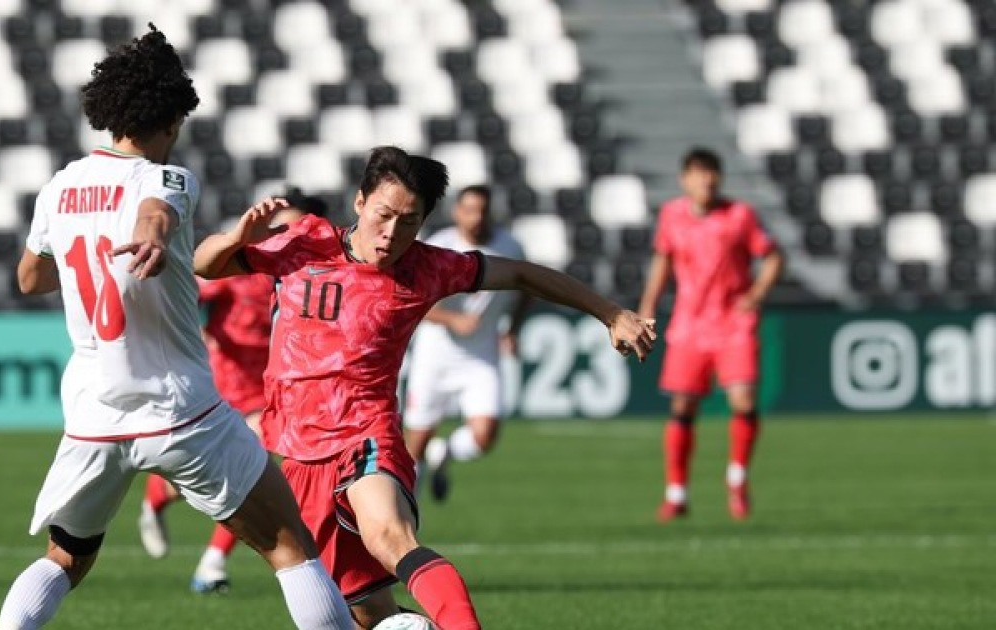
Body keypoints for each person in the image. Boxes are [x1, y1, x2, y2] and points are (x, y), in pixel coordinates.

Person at [192, 146, 657, 630]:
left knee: (390, 537)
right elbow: (206, 265)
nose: (392, 233)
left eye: (409, 221)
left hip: (364, 437)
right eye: (384, 214)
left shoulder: (428, 268)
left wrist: (611, 312)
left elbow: (520, 273)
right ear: (359, 203)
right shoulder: (303, 241)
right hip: (299, 452)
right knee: (369, 615)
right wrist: (234, 238)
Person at [0, 28, 354, 630]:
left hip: (94, 418)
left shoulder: (59, 187)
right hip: (178, 408)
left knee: (64, 559)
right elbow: (155, 211)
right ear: (171, 120)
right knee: (290, 547)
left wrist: (102, 246)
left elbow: (31, 278)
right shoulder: (168, 178)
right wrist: (153, 237)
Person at [137, 189, 330, 596]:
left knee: (254, 468)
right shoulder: (243, 267)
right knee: (207, 475)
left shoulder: (311, 274)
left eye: (295, 227)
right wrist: (200, 333)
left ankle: (212, 564)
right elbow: (185, 294)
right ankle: (157, 497)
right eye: (281, 226)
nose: (285, 234)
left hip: (270, 388)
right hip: (222, 386)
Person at [637, 147, 785, 523]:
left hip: (733, 323)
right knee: (683, 407)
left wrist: (756, 295)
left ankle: (737, 478)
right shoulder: (672, 215)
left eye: (712, 173)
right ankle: (677, 492)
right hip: (690, 324)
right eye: (699, 173)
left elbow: (773, 256)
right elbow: (662, 263)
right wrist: (647, 307)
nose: (707, 180)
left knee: (743, 398)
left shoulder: (739, 216)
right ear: (685, 179)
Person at [403, 185, 530, 502]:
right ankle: (407, 522)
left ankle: (445, 452)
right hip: (435, 355)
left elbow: (528, 288)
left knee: (485, 436)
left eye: (483, 210)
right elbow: (413, 300)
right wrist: (450, 319)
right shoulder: (438, 247)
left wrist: (513, 329)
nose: (477, 217)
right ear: (457, 213)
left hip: (480, 354)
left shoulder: (509, 247)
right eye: (470, 210)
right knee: (413, 447)